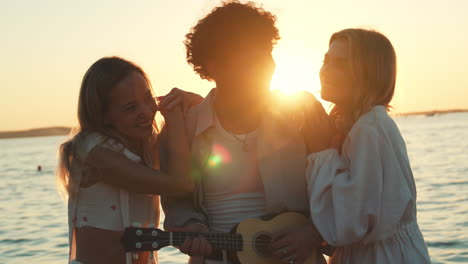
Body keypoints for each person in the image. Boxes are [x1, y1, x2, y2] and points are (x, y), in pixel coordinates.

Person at [161, 2, 328, 264]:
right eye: (253, 58)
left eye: (268, 53)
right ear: (216, 67)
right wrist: (192, 225)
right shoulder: (186, 126)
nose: (268, 66)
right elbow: (176, 198)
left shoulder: (302, 112)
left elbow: (339, 189)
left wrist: (313, 231)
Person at [272, 29, 431, 263]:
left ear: (367, 74)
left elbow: (354, 218)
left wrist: (321, 152)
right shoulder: (355, 127)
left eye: (340, 64)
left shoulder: (369, 129)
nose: (325, 71)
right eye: (326, 61)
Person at [56, 56, 194, 264]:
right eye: (131, 108)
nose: (147, 112)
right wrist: (174, 117)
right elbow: (180, 183)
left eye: (148, 99)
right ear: (103, 115)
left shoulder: (145, 145)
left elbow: (183, 158)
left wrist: (192, 103)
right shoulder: (94, 153)